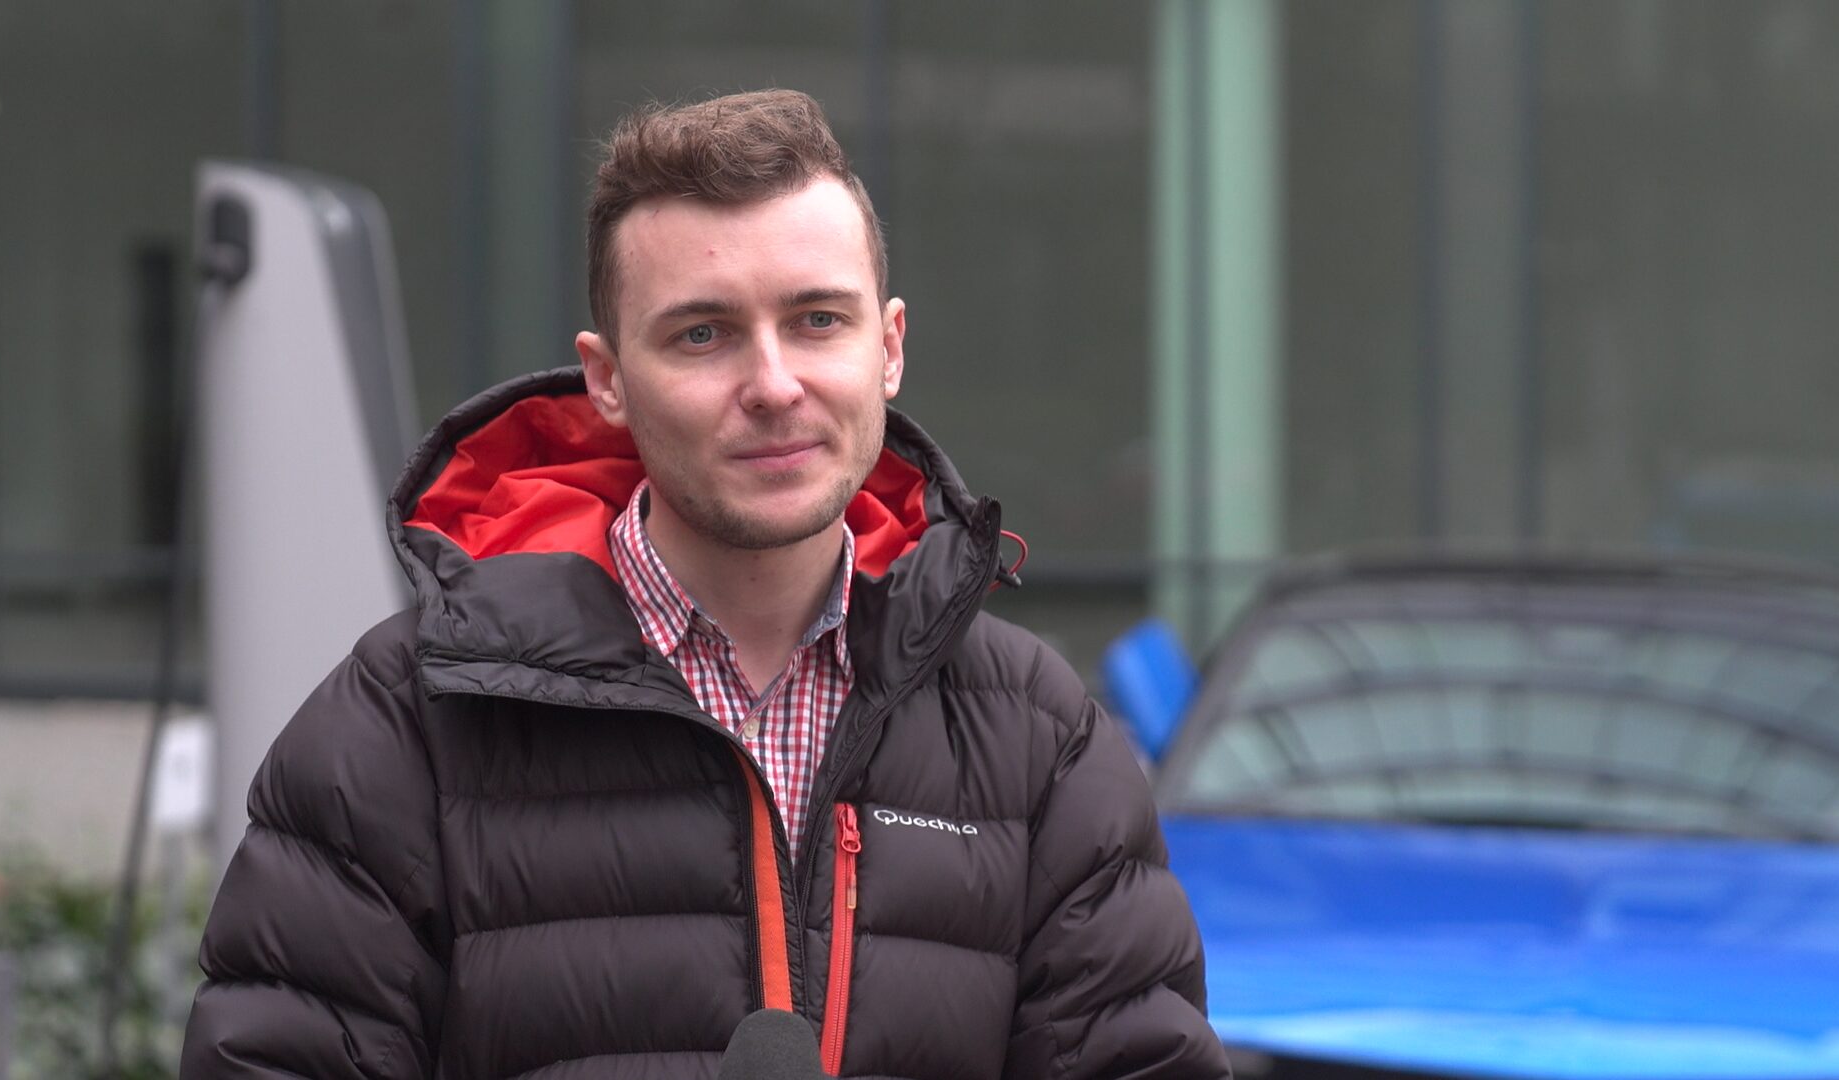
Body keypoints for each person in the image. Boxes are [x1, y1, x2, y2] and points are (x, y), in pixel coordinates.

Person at [181, 89, 1226, 1079]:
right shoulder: (402, 725)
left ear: (890, 347)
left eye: (818, 320)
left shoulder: (1038, 737)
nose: (773, 385)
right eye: (702, 334)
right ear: (607, 379)